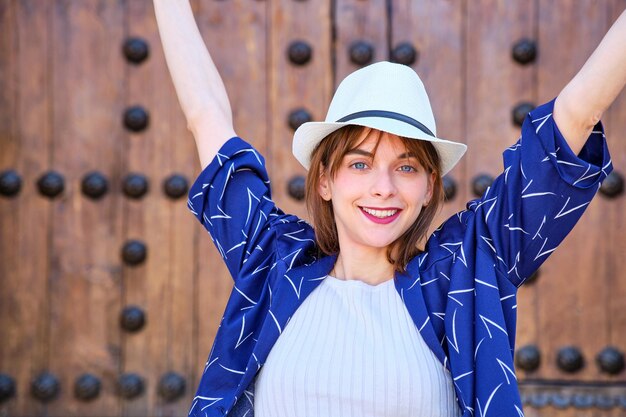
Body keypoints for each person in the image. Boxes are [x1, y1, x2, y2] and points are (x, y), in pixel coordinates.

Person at [153, 1, 626, 416]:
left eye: (405, 168)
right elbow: (205, 114)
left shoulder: (464, 274)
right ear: (324, 180)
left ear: (428, 187)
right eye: (360, 164)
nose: (383, 188)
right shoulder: (272, 263)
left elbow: (574, 117)